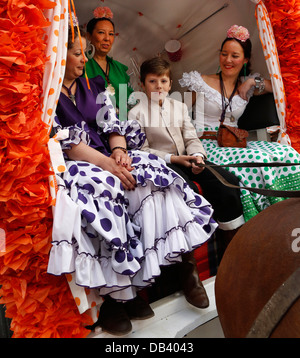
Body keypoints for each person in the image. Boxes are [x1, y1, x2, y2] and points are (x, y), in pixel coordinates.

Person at [47, 24, 217, 336]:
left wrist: (121, 151)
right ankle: (116, 299)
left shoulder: (94, 85)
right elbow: (69, 144)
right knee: (106, 191)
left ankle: (182, 270)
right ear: (57, 55)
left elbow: (112, 125)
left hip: (110, 155)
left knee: (154, 173)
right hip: (81, 162)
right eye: (77, 53)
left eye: (85, 53)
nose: (84, 59)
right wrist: (108, 164)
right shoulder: (48, 96)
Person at [179, 24, 300, 222]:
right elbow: (179, 113)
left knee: (286, 153)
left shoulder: (248, 84)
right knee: (256, 159)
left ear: (245, 59)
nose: (228, 60)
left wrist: (252, 82)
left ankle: (291, 213)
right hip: (205, 143)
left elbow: (279, 87)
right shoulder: (200, 81)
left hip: (232, 142)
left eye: (235, 56)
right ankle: (265, 219)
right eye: (224, 54)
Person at [128, 57, 245, 246]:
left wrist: (198, 157)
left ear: (170, 84)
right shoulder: (136, 113)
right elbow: (143, 149)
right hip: (163, 164)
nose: (158, 86)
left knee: (227, 182)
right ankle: (198, 241)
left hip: (189, 158)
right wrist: (173, 158)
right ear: (142, 85)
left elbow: (191, 138)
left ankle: (232, 240)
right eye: (152, 81)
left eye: (163, 81)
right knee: (187, 190)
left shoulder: (179, 107)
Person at [85, 6, 133, 112]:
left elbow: (130, 102)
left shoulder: (119, 69)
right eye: (101, 32)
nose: (107, 38)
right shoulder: (81, 64)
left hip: (123, 123)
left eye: (111, 34)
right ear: (89, 36)